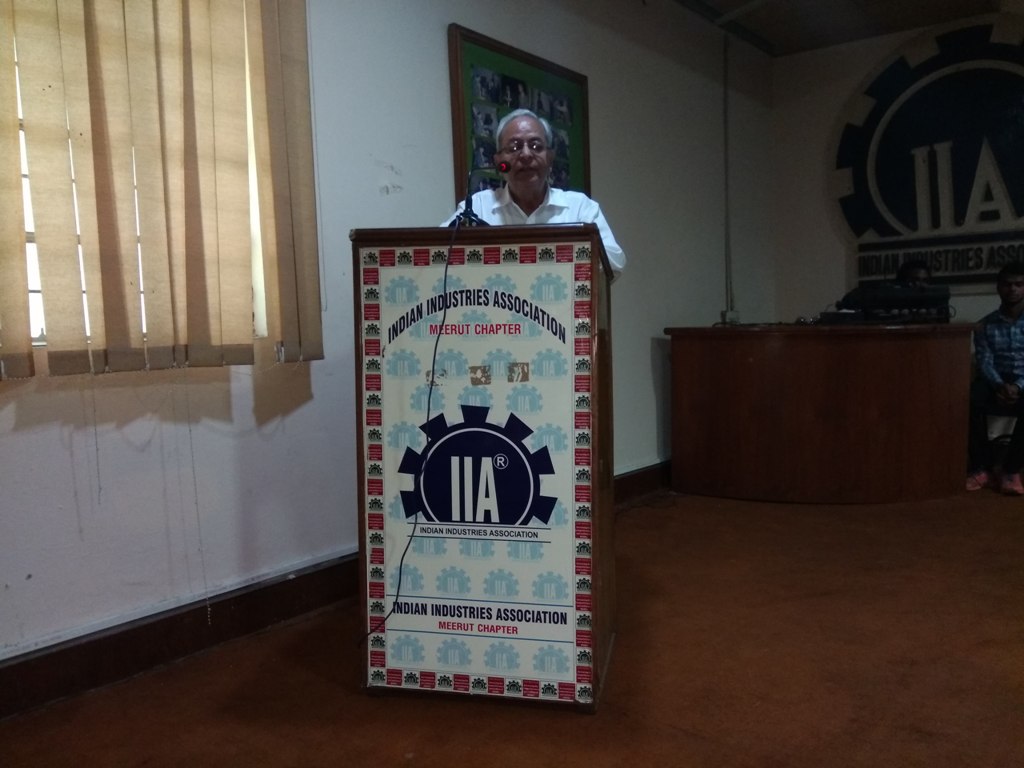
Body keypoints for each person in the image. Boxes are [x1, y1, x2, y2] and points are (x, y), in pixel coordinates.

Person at [443, 108, 626, 278]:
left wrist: (560, 255)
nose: (526, 155)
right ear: (499, 162)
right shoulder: (478, 207)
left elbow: (615, 262)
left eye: (536, 146)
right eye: (514, 147)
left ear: (550, 158)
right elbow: (437, 252)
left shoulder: (579, 208)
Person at [966, 261, 1024, 494]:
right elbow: (985, 361)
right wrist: (999, 385)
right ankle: (982, 469)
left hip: (1022, 381)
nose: (1013, 289)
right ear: (999, 287)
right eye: (1007, 284)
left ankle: (1011, 471)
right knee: (967, 402)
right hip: (995, 380)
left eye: (1019, 284)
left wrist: (1017, 386)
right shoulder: (985, 324)